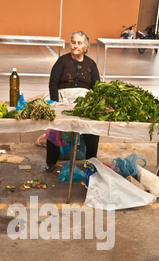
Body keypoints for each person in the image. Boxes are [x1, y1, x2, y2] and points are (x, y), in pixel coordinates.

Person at [45, 31, 100, 172]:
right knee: (53, 128)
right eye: (73, 42)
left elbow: (97, 87)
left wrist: (93, 105)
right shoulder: (62, 61)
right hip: (63, 101)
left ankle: (91, 162)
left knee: (93, 129)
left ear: (86, 47)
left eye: (79, 43)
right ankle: (51, 162)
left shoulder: (91, 64)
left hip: (84, 103)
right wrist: (55, 103)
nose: (75, 46)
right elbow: (53, 83)